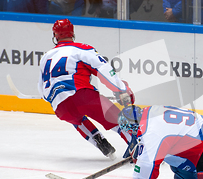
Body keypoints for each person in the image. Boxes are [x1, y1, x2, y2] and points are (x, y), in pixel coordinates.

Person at [38, 18, 135, 159]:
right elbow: (103, 69)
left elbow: (42, 89)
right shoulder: (82, 49)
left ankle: (100, 142)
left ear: (55, 36)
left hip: (59, 106)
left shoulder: (45, 57)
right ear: (72, 34)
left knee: (76, 118)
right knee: (115, 118)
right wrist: (121, 88)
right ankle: (137, 146)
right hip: (82, 95)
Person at [114, 105, 203, 179]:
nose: (130, 133)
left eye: (129, 129)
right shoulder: (148, 112)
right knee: (162, 149)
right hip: (195, 133)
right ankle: (187, 172)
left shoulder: (151, 131)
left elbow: (148, 163)